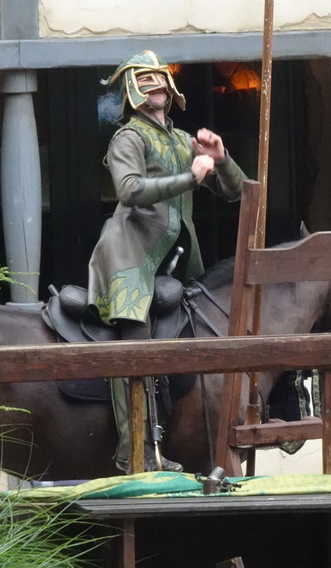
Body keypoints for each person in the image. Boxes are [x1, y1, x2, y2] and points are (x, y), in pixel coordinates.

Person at [88, 50, 247, 474]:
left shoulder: (180, 140)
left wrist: (221, 156)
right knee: (135, 345)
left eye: (160, 77)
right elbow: (129, 189)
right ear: (132, 91)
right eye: (145, 79)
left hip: (174, 264)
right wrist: (188, 177)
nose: (156, 83)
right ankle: (134, 452)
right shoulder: (128, 138)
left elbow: (238, 192)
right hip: (127, 258)